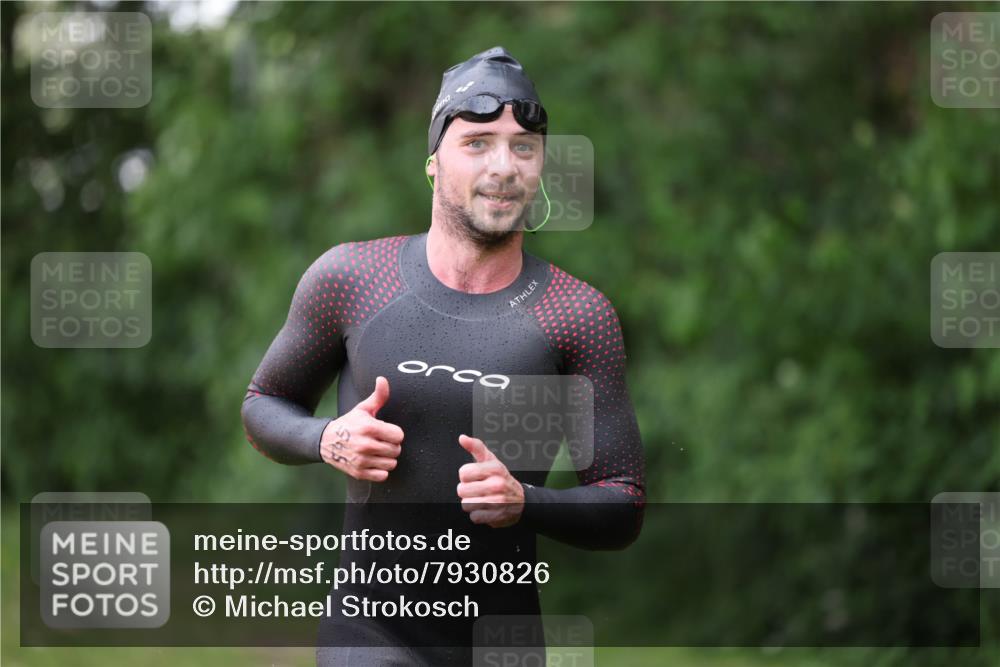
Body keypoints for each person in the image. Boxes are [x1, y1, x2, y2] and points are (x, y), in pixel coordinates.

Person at [241, 45, 645, 666]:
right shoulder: (354, 278)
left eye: (523, 146)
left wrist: (524, 502)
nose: (504, 165)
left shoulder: (574, 314)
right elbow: (263, 405)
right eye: (478, 142)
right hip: (372, 631)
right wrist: (327, 438)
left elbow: (622, 503)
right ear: (433, 161)